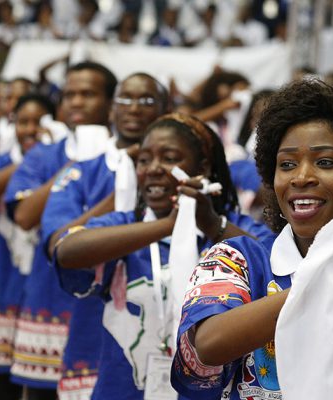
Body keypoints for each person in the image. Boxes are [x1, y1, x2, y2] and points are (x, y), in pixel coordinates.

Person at [170, 79, 333, 399]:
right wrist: (327, 278)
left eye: (325, 162)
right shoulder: (238, 258)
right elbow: (205, 348)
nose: (302, 177)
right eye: (287, 164)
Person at [52, 113, 273, 399]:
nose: (153, 169)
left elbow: (273, 268)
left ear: (202, 168)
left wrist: (209, 223)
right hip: (123, 389)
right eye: (144, 160)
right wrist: (167, 225)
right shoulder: (126, 224)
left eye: (169, 158)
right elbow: (67, 251)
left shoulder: (233, 227)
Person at [40, 71, 168, 399]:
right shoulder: (83, 170)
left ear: (165, 111)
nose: (135, 108)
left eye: (146, 100)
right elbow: (57, 244)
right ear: (111, 110)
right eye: (125, 99)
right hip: (90, 322)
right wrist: (122, 189)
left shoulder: (178, 172)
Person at [4, 61, 116, 397]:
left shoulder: (129, 156)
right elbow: (24, 216)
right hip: (47, 303)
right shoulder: (43, 155)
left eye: (88, 94)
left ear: (111, 103)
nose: (77, 102)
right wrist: (75, 164)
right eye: (69, 95)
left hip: (102, 310)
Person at [0, 93, 56, 400]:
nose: (30, 130)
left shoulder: (61, 164)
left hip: (41, 295)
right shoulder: (2, 160)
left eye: (38, 123)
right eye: (22, 122)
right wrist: (33, 158)